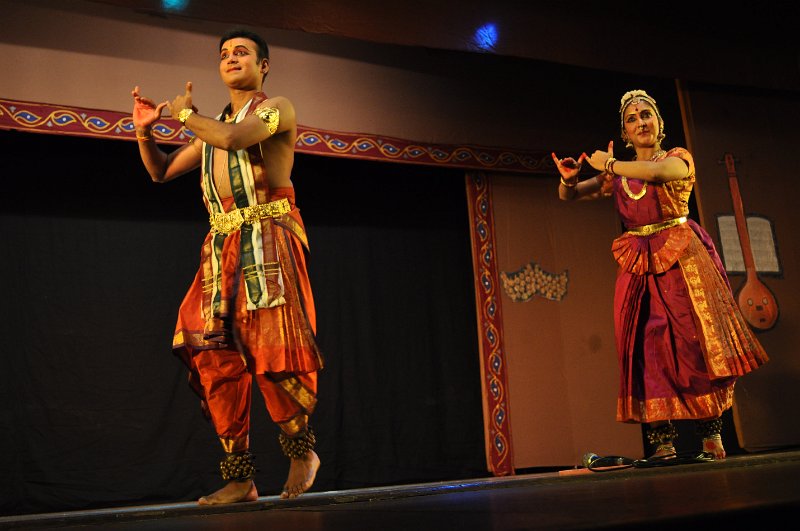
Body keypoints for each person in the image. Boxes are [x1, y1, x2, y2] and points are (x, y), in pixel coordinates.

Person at [131, 28, 323, 504]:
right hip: (221, 247)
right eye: (224, 54)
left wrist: (185, 115)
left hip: (268, 240)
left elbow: (237, 139)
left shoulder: (277, 108)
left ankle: (301, 450)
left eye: (242, 52)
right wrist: (143, 132)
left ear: (264, 66)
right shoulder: (210, 126)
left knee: (271, 350)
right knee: (211, 352)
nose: (231, 58)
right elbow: (160, 171)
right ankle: (241, 476)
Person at [552, 89, 768, 460]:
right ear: (625, 132)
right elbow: (570, 196)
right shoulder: (619, 175)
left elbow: (654, 172)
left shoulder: (677, 158)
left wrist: (609, 164)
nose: (641, 122)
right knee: (645, 346)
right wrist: (570, 180)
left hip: (681, 260)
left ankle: (710, 436)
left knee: (691, 342)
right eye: (632, 119)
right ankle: (662, 441)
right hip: (638, 264)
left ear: (659, 123)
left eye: (646, 115)